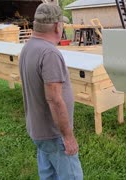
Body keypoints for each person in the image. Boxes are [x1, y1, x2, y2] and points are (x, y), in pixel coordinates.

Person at [19, 3, 83, 180]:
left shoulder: (28, 47)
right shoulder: (49, 53)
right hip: (54, 135)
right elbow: (54, 99)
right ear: (57, 26)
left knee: (48, 175)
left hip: (38, 130)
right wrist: (68, 137)